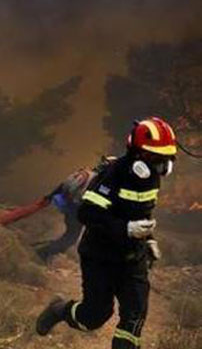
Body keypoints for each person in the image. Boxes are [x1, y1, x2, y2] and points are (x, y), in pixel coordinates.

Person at [36, 117, 177, 349]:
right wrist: (126, 229)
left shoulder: (151, 179)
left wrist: (148, 239)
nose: (162, 164)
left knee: (134, 319)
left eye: (166, 157)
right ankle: (59, 309)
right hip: (100, 257)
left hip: (132, 260)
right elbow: (88, 214)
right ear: (137, 153)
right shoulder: (114, 174)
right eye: (155, 156)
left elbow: (142, 212)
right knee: (93, 317)